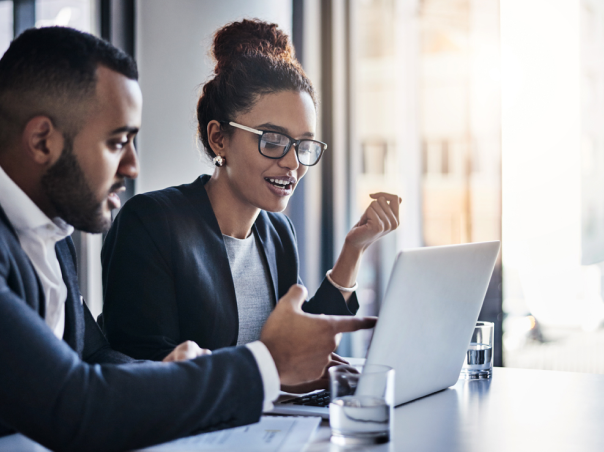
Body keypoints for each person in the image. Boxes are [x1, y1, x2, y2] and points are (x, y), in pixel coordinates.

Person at [0, 26, 376, 452]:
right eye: (116, 142)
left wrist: (172, 371)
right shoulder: (149, 223)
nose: (132, 166)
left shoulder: (52, 234)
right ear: (41, 141)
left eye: (303, 144)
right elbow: (76, 402)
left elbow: (93, 356)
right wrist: (265, 364)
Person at [99, 20, 401, 391]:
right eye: (273, 140)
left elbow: (298, 338)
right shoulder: (151, 223)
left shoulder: (277, 232)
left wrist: (354, 249)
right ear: (219, 139)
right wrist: (272, 371)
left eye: (304, 145)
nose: (293, 163)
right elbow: (138, 364)